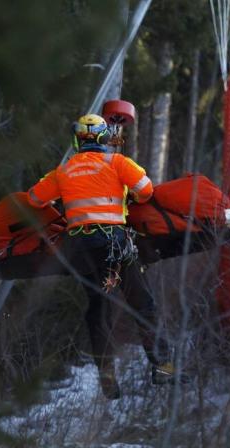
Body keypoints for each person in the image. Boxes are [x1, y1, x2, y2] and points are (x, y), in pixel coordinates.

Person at [27, 113, 175, 399]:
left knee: (98, 308)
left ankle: (107, 375)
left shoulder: (64, 170)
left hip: (80, 248)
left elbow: (34, 199)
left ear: (77, 139)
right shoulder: (117, 162)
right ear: (104, 138)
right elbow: (146, 191)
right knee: (142, 303)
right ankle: (164, 369)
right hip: (114, 243)